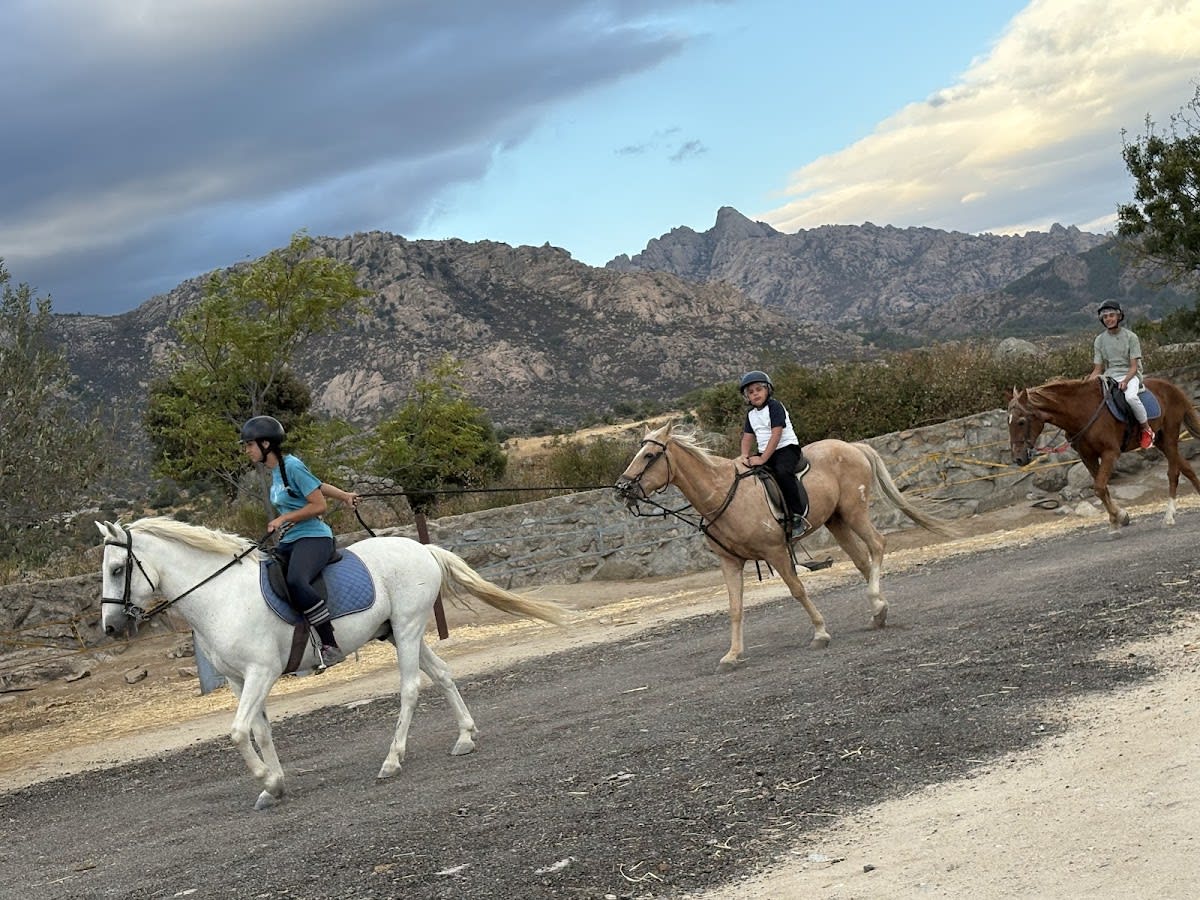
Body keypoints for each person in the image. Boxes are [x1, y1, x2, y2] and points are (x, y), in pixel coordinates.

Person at [239, 415, 360, 668]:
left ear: (265, 444)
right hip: (292, 540)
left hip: (314, 537)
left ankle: (330, 645)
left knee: (296, 580)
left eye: (249, 444)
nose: (247, 450)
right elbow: (316, 484)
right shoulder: (277, 471)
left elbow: (318, 505)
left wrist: (284, 518)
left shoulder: (291, 465)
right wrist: (345, 495)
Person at [737, 370, 808, 529]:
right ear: (747, 397)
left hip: (786, 449)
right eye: (750, 392)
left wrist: (762, 459)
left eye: (759, 389)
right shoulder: (751, 415)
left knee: (783, 472)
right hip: (766, 452)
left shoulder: (775, 406)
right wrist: (744, 455)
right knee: (749, 476)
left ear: (768, 390)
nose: (755, 394)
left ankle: (797, 515)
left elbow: (777, 433)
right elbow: (747, 436)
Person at [1086, 299, 1154, 450]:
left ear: (1119, 316)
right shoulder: (1099, 340)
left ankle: (1146, 429)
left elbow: (1134, 366)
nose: (1108, 319)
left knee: (1130, 397)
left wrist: (1126, 380)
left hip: (1130, 375)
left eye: (1111, 315)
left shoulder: (1131, 337)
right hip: (1110, 376)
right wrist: (1086, 385)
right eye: (1105, 317)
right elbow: (1098, 370)